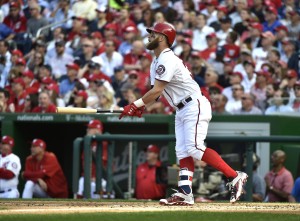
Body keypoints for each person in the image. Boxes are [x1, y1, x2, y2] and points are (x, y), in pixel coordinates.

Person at [119, 22, 248, 205]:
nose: (149, 36)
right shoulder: (156, 61)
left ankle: (235, 176)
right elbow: (155, 94)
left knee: (194, 148)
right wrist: (140, 107)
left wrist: (134, 104)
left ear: (162, 38)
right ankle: (185, 193)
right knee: (182, 151)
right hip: (181, 108)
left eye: (153, 34)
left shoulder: (167, 59)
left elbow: (157, 91)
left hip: (193, 104)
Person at [76, 119, 113, 199]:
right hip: (88, 179)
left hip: (102, 180)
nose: (87, 130)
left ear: (97, 130)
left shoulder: (105, 143)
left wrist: (95, 177)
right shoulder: (88, 143)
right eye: (87, 128)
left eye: (90, 128)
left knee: (104, 191)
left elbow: (108, 167)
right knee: (81, 182)